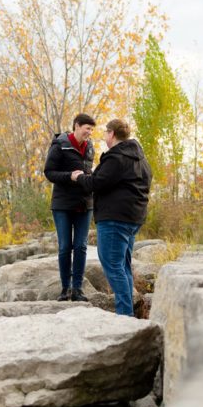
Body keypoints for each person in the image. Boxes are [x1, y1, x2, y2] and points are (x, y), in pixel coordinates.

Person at [71, 118, 151, 316]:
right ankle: (128, 312)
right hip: (134, 218)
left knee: (113, 265)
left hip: (115, 219)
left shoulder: (116, 158)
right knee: (123, 266)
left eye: (106, 133)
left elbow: (95, 183)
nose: (104, 136)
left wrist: (78, 177)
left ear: (112, 134)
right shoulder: (140, 159)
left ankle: (125, 315)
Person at [43, 113, 96, 301]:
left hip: (85, 203)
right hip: (63, 204)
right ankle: (65, 289)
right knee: (65, 246)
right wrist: (69, 176)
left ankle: (78, 289)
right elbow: (49, 172)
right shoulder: (60, 145)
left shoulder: (90, 147)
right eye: (87, 129)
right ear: (76, 126)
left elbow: (89, 172)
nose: (89, 133)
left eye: (92, 130)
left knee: (81, 246)